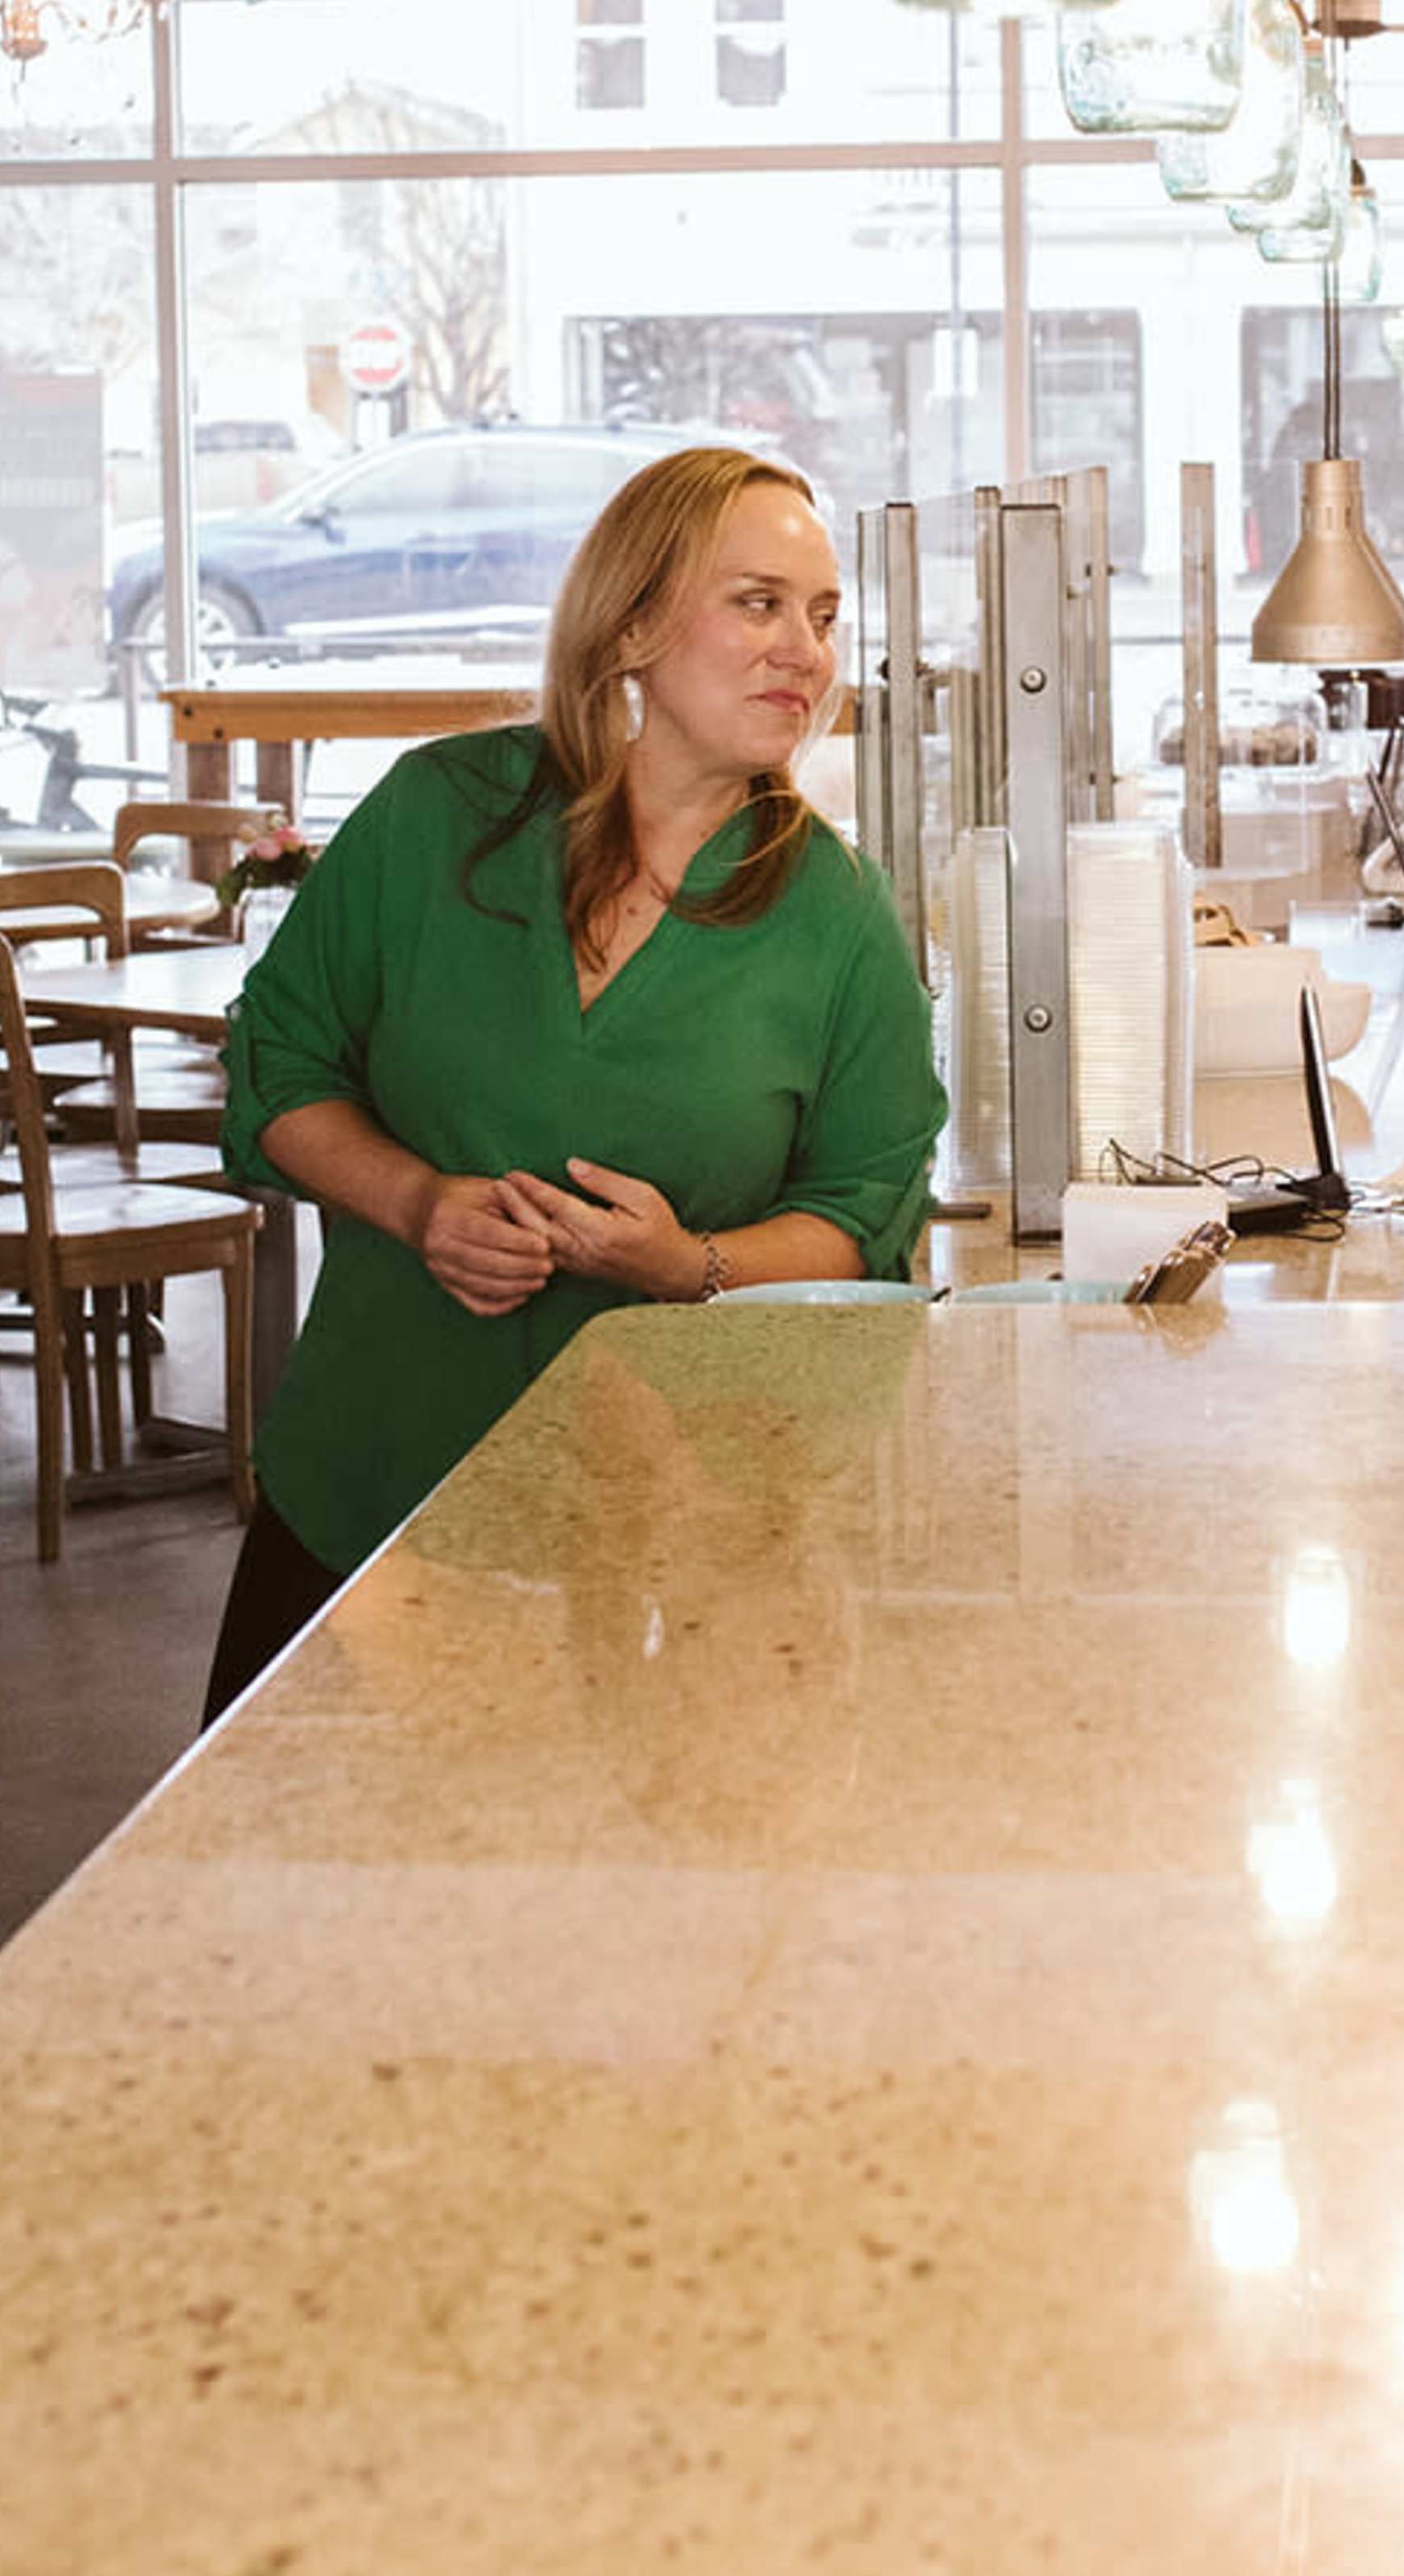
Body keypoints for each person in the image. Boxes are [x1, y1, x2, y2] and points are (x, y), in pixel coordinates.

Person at [199, 447, 944, 1723]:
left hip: (672, 1553)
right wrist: (421, 1202)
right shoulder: (437, 817)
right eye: (759, 602)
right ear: (635, 622)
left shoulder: (840, 915)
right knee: (273, 1904)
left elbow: (868, 1215)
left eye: (823, 617)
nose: (806, 653)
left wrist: (686, 1263)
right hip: (375, 1499)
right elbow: (279, 1069)